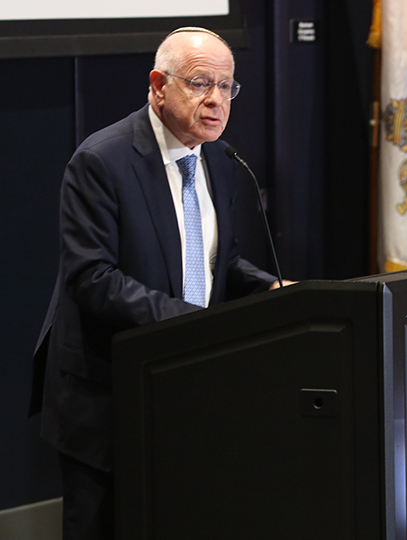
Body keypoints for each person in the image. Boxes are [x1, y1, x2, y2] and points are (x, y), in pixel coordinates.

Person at [30, 27, 286, 540]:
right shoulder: (101, 161)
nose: (216, 100)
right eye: (199, 83)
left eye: (227, 86)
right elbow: (93, 279)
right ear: (157, 85)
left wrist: (275, 292)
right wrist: (197, 327)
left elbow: (220, 262)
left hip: (182, 386)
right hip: (106, 396)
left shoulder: (219, 158)